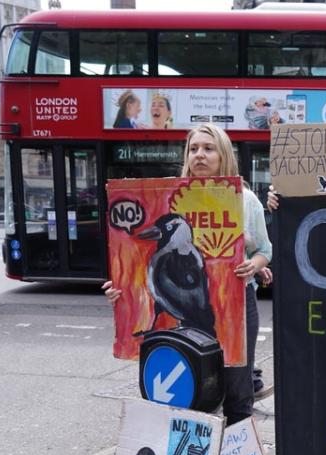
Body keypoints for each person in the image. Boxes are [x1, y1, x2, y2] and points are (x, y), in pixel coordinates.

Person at [102, 123, 272, 425]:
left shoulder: (245, 199)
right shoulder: (167, 198)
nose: (200, 155)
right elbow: (137, 266)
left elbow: (265, 249)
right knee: (188, 390)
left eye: (209, 149)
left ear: (223, 155)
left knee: (237, 390)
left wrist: (255, 264)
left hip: (236, 305)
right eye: (193, 149)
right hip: (184, 320)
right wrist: (121, 289)